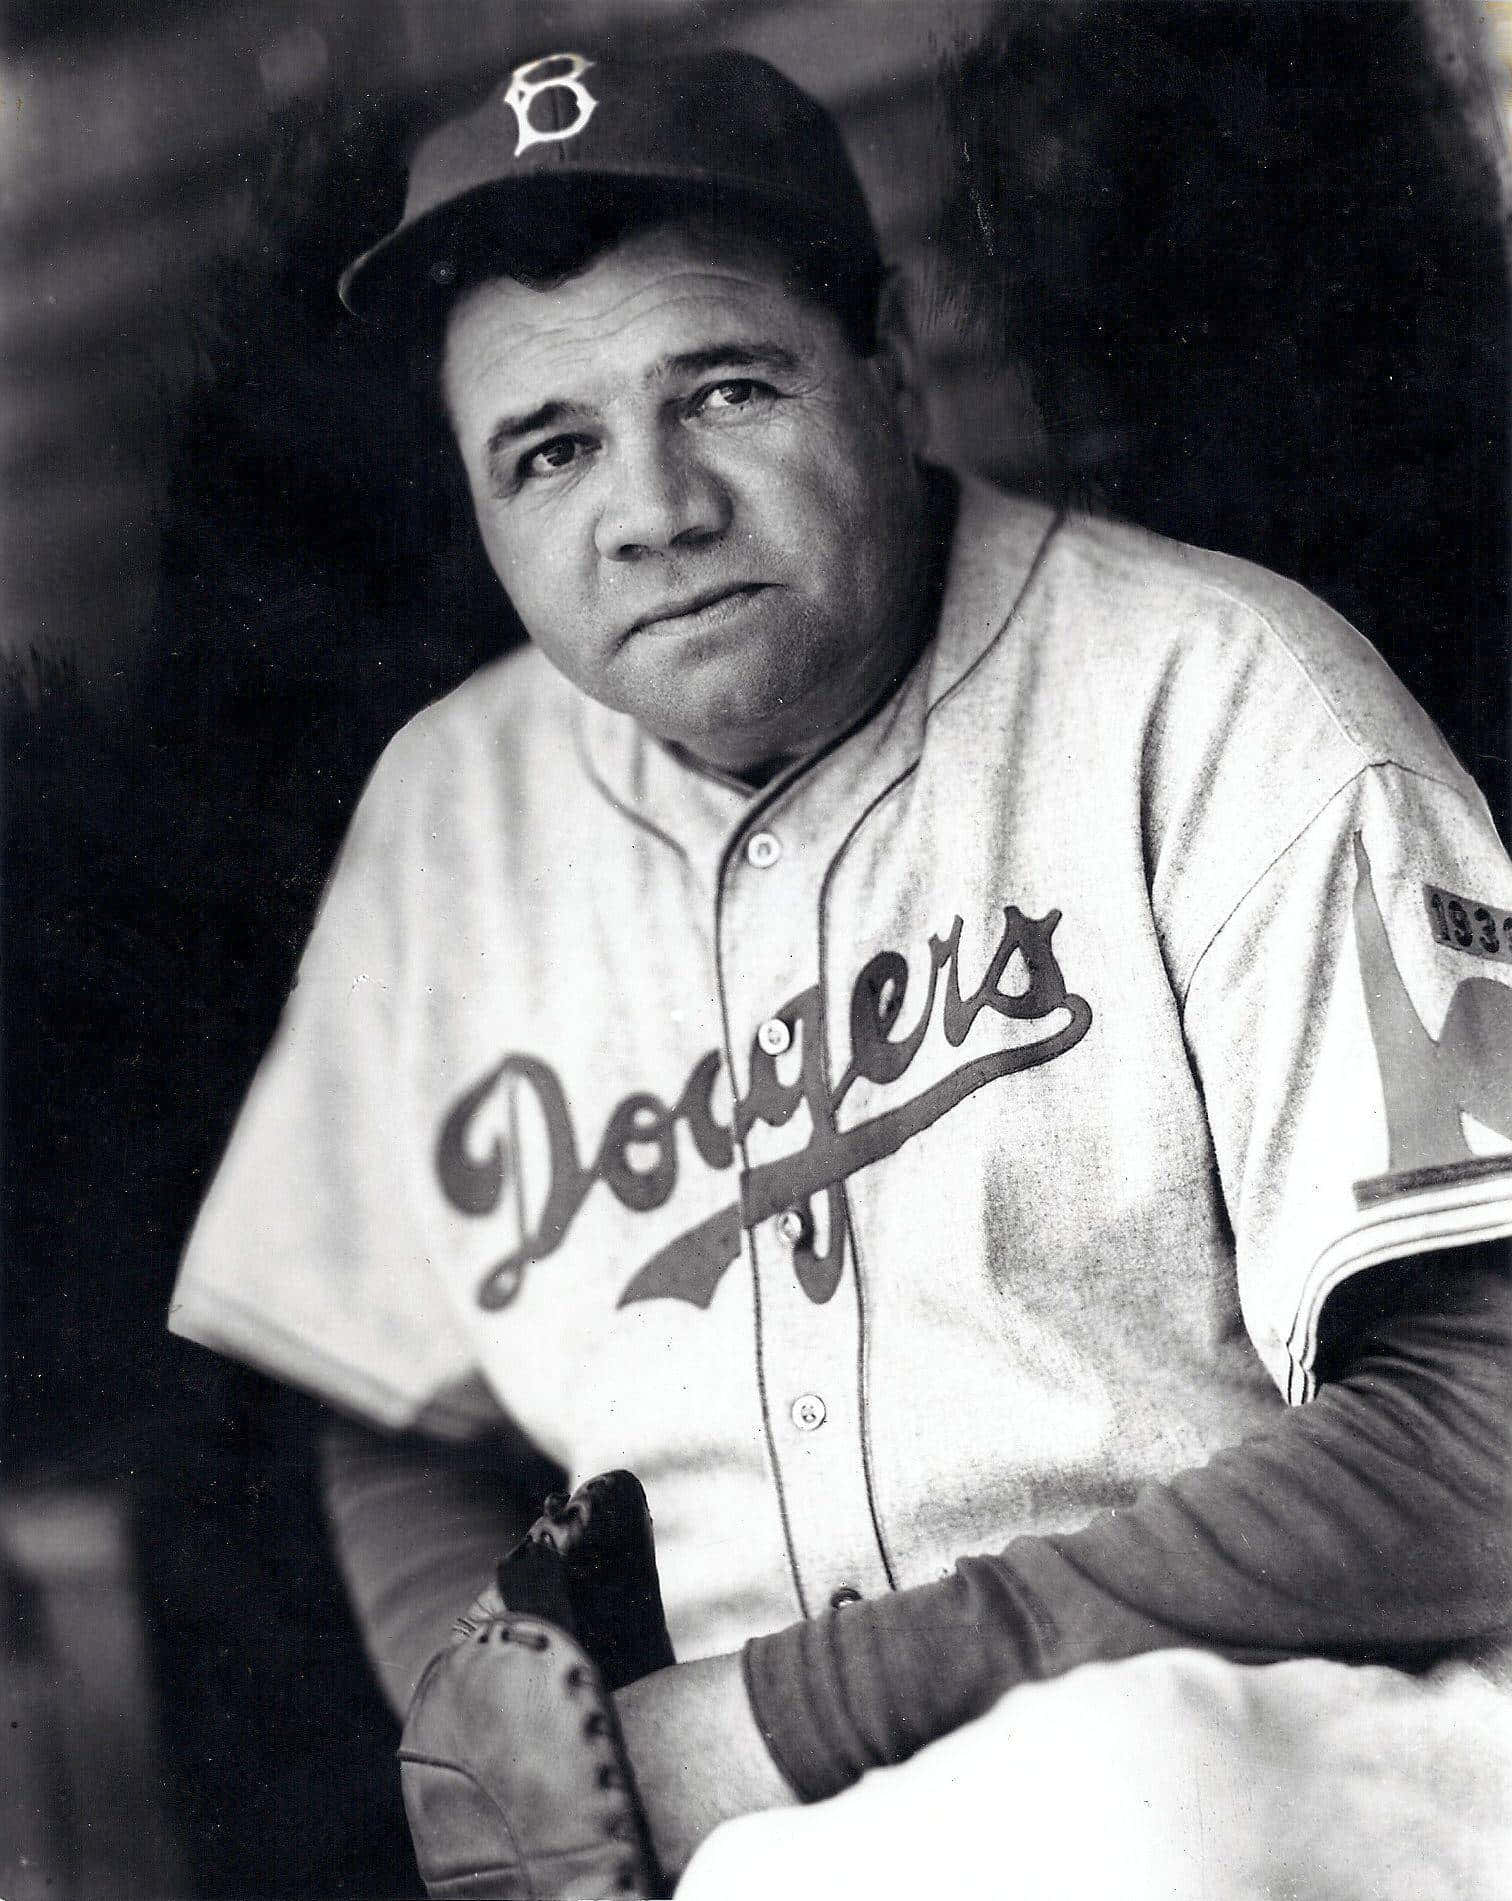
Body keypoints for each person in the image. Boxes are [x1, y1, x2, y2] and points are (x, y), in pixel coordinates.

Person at [168, 46, 1512, 1898]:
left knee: (1123, 1804)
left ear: (890, 370)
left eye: (723, 388)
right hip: (760, 1851)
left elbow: (1482, 1433)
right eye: (548, 450)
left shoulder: (1225, 700)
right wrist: (494, 1736)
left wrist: (791, 1713)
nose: (651, 505)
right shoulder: (445, 815)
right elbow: (396, 1404)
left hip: (1279, 1776)